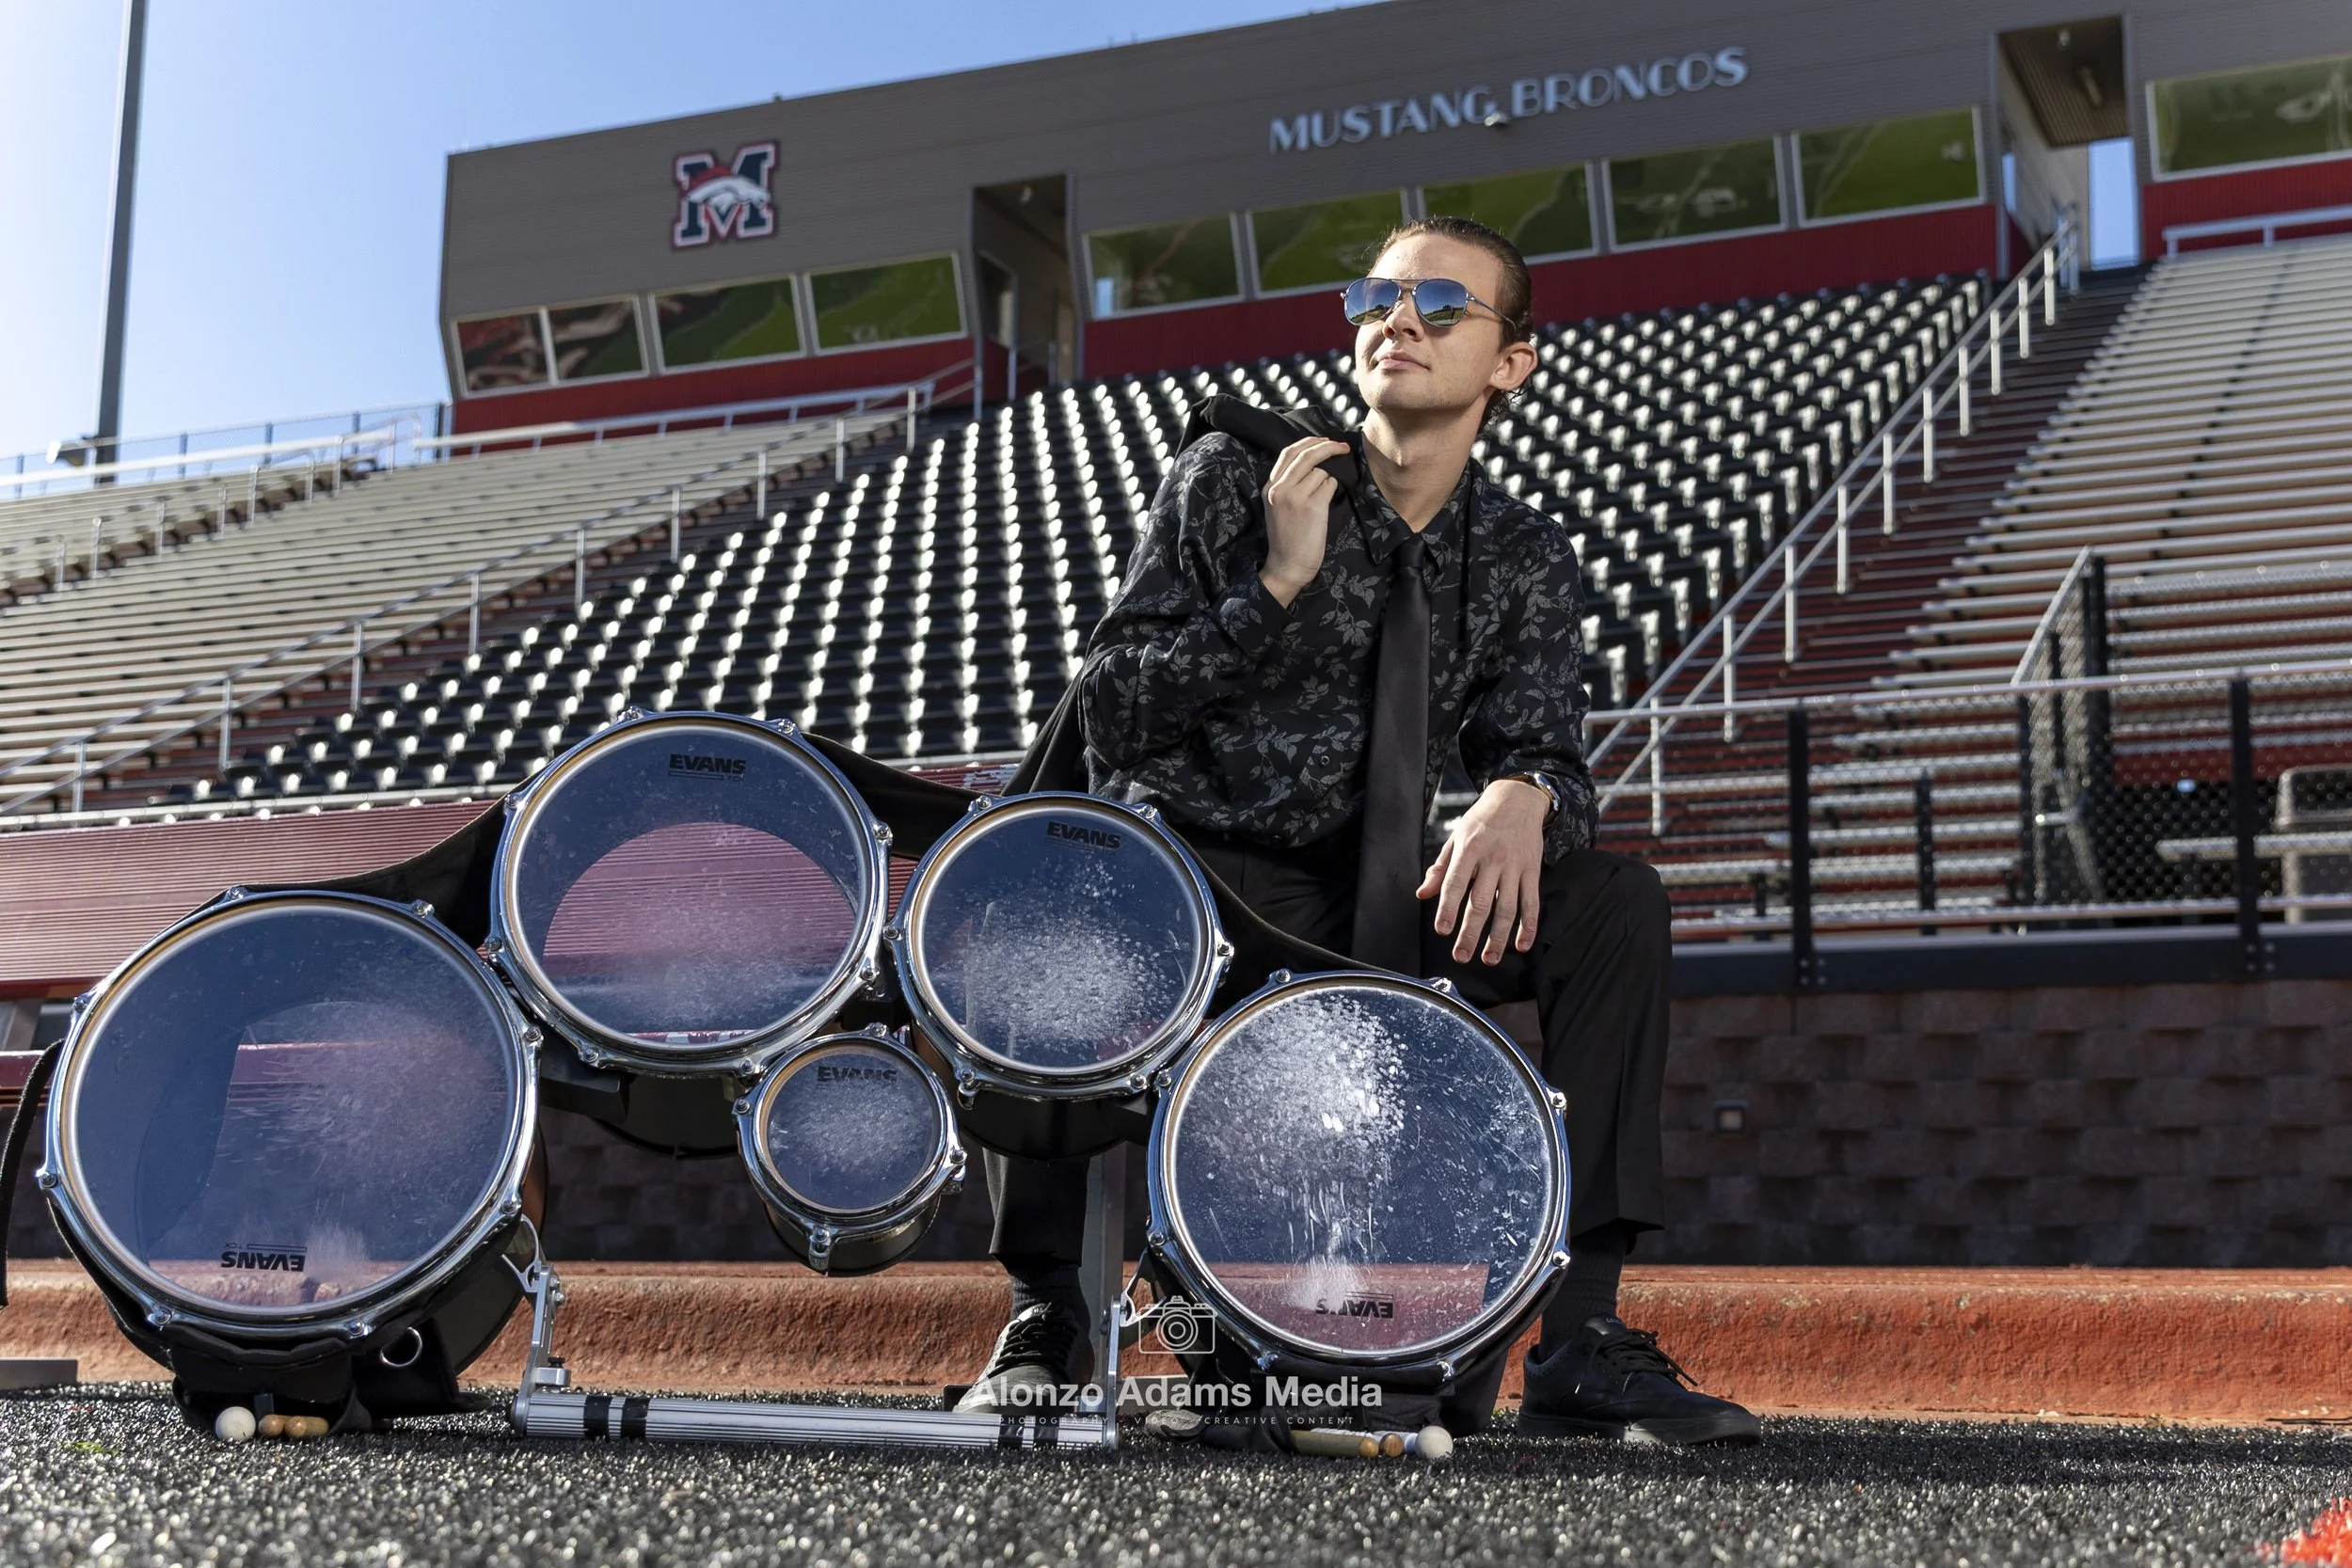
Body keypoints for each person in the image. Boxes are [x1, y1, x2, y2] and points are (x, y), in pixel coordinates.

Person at [958, 215, 1759, 1448]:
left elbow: (1550, 746)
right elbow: (1110, 711)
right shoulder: (1239, 475)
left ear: (1511, 363)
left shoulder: (1522, 557)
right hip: (1190, 884)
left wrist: (1524, 793)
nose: (1401, 318)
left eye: (1445, 303)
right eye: (1378, 296)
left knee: (1612, 902)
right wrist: (1272, 586)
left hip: (1369, 900)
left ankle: (1582, 1331)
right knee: (1059, 885)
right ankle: (1045, 1316)